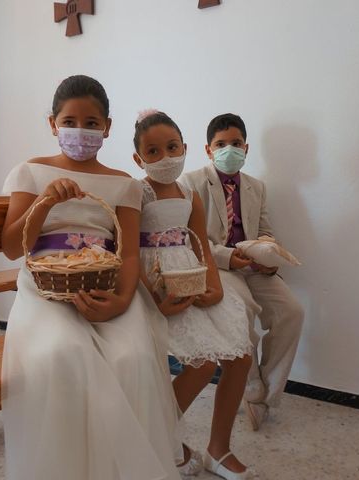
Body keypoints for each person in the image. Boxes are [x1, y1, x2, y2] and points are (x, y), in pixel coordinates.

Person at [0, 75, 181, 480]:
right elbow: (13, 247)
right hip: (46, 288)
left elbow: (129, 252)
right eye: (69, 121)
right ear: (52, 124)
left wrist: (120, 300)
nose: (80, 131)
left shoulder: (122, 184)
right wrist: (45, 203)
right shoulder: (30, 172)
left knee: (131, 357)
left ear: (108, 127)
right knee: (63, 353)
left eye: (91, 123)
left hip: (107, 282)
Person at [134, 110, 255, 480]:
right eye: (152, 151)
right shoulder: (137, 192)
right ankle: (153, 437)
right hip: (155, 283)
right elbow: (127, 250)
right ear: (139, 159)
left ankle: (218, 448)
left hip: (191, 275)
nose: (165, 157)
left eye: (172, 147)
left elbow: (200, 243)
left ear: (185, 148)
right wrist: (154, 295)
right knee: (202, 364)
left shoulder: (189, 194)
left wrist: (214, 285)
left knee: (241, 352)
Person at [180, 113, 304, 431]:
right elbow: (191, 239)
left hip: (255, 268)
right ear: (208, 150)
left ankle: (264, 397)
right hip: (220, 266)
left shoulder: (256, 187)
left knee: (292, 311)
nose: (229, 150)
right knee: (242, 312)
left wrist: (269, 255)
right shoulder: (191, 183)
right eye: (221, 145)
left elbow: (265, 231)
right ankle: (249, 387)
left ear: (246, 148)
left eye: (236, 144)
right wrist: (228, 258)